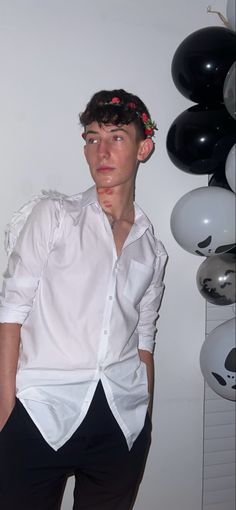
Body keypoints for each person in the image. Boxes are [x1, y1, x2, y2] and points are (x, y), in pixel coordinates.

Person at [0, 89, 167, 510]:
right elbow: (10, 311)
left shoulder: (151, 248)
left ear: (143, 148)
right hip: (41, 413)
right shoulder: (53, 216)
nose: (101, 151)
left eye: (116, 137)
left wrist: (142, 417)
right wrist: (5, 411)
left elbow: (144, 340)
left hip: (120, 421)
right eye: (92, 139)